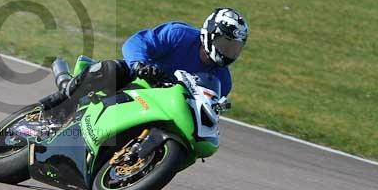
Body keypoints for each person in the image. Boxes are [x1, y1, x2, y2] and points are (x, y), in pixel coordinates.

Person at [39, 8, 249, 113]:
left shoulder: (223, 80)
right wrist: (139, 64)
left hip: (165, 106)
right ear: (209, 34)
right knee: (110, 68)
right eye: (225, 44)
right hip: (137, 80)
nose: (228, 52)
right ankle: (64, 96)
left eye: (234, 48)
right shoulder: (179, 35)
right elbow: (135, 42)